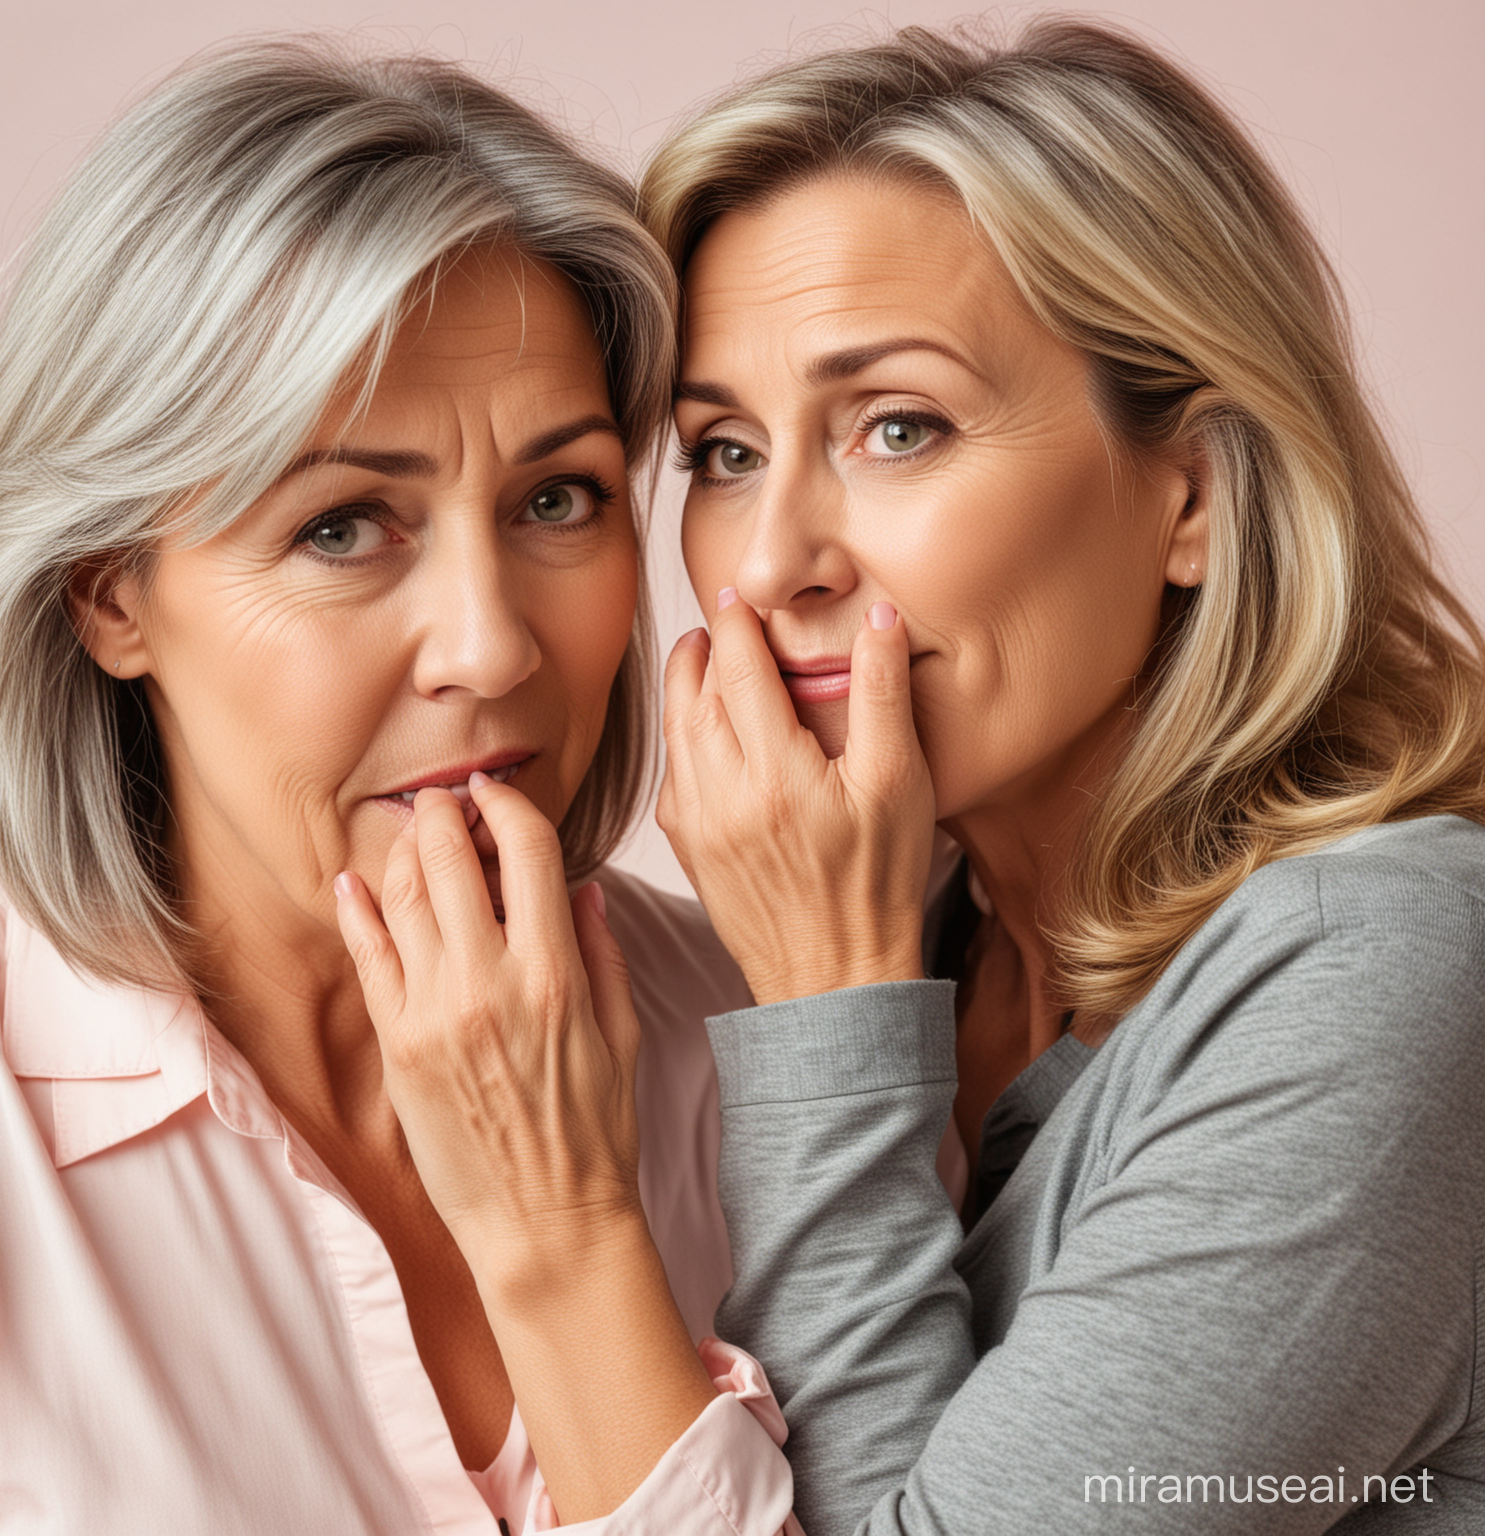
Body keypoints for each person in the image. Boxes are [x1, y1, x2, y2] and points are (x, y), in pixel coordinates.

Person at [346, 17, 1485, 1534]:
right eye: (726, 452)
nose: (767, 563)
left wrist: (824, 1019)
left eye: (898, 428)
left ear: (1193, 497)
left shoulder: (1382, 967)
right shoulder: (928, 937)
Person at [0, 37, 763, 1535]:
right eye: (342, 527)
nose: (493, 639)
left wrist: (565, 1234)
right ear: (107, 594)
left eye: (558, 498)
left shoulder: (756, 1049)